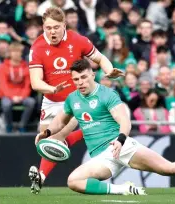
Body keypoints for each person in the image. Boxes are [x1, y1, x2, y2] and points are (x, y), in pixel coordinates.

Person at [35, 59, 175, 196]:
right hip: (100, 156)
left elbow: (124, 121)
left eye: (84, 78)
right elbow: (60, 121)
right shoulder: (73, 99)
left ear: (93, 74)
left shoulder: (107, 94)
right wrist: (46, 133)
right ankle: (123, 189)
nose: (80, 83)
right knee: (73, 181)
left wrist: (120, 140)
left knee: (169, 169)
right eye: (76, 80)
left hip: (121, 146)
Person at [28, 7, 124, 194]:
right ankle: (41, 176)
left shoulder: (77, 40)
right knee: (45, 143)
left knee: (57, 137)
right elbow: (35, 82)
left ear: (64, 25)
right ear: (43, 27)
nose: (52, 32)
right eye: (48, 28)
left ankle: (43, 174)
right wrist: (51, 89)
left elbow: (100, 57)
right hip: (50, 99)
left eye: (56, 27)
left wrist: (109, 70)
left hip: (75, 100)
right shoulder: (37, 47)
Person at [0, 42, 36, 132]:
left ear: (21, 53)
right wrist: (12, 97)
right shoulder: (2, 67)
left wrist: (21, 97)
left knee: (31, 102)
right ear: (9, 53)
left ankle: (22, 125)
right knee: (6, 104)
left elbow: (27, 85)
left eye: (18, 51)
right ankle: (9, 125)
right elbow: (3, 85)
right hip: (7, 96)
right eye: (14, 51)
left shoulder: (26, 67)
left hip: (21, 96)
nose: (16, 53)